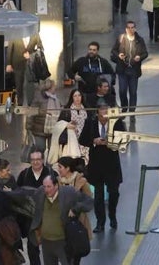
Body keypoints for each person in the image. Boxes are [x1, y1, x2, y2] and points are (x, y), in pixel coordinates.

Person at [78, 104, 126, 232]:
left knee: (114, 192)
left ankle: (112, 215)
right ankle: (100, 222)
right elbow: (82, 139)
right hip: (97, 163)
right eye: (102, 111)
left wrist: (110, 142)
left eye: (107, 111)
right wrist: (94, 141)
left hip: (112, 163)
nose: (104, 114)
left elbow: (124, 139)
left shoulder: (117, 123)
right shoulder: (91, 123)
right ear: (98, 112)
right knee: (98, 195)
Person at [28, 175, 93, 265]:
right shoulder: (40, 192)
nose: (46, 190)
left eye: (49, 186)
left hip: (63, 242)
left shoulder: (68, 193)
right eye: (44, 186)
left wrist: (75, 208)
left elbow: (88, 202)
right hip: (46, 242)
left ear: (56, 186)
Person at [16, 149, 55, 265]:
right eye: (33, 160)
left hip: (48, 217)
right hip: (30, 218)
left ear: (42, 160)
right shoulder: (24, 175)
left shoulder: (51, 174)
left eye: (38, 159)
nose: (35, 162)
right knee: (32, 247)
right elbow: (18, 193)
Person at [56, 157, 93, 265]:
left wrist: (76, 208)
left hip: (78, 223)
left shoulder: (81, 181)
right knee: (65, 255)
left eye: (60, 167)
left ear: (67, 168)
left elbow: (89, 200)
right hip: (62, 223)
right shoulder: (57, 181)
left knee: (75, 254)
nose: (58, 169)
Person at [110, 21, 148, 114]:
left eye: (132, 27)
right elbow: (114, 50)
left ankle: (132, 110)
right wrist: (119, 55)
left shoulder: (139, 40)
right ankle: (124, 106)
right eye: (129, 28)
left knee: (133, 91)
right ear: (126, 29)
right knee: (122, 90)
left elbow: (145, 53)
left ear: (135, 29)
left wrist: (139, 57)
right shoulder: (121, 38)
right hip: (122, 69)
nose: (131, 30)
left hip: (134, 70)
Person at [6, 34, 43, 107]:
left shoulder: (35, 34)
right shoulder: (15, 34)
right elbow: (10, 49)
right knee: (19, 84)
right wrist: (9, 64)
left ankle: (30, 103)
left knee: (30, 84)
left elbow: (40, 48)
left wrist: (31, 54)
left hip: (30, 63)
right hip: (17, 63)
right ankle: (20, 103)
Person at [58, 90, 90, 165]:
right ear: (72, 98)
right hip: (71, 140)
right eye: (75, 96)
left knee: (84, 162)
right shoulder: (67, 110)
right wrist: (67, 125)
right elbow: (59, 123)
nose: (77, 98)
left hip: (84, 140)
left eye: (79, 95)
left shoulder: (87, 109)